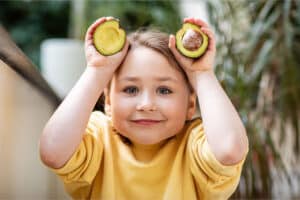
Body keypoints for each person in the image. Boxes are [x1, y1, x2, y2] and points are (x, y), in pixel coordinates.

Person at [39, 16, 248, 200]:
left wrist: (202, 73)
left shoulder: (196, 145)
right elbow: (52, 151)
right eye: (131, 89)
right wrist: (97, 71)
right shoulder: (98, 138)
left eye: (164, 90)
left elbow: (230, 150)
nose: (146, 104)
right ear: (109, 103)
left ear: (190, 104)